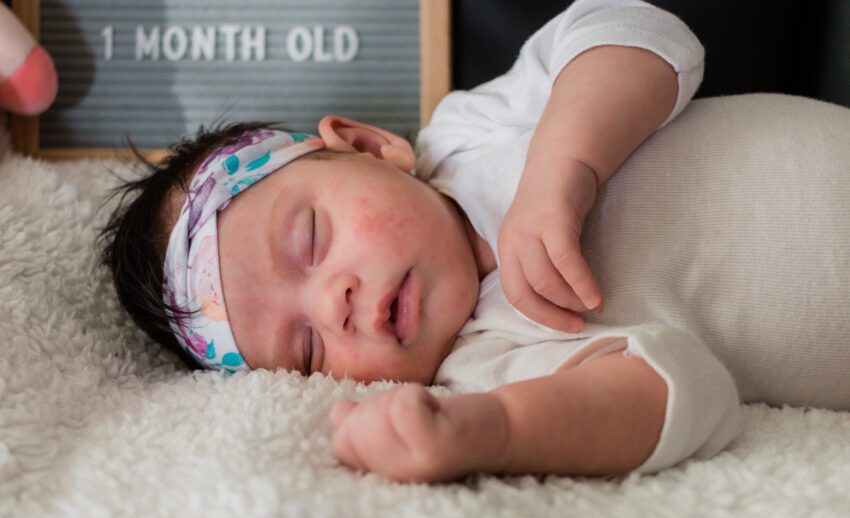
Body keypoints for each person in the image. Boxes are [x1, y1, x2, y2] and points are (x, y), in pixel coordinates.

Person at [98, 0, 850, 483]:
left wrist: (564, 162)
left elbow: (646, 33)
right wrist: (493, 432)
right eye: (306, 350)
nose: (335, 304)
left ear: (369, 146)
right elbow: (686, 389)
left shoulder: (473, 133)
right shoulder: (483, 368)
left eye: (312, 238)